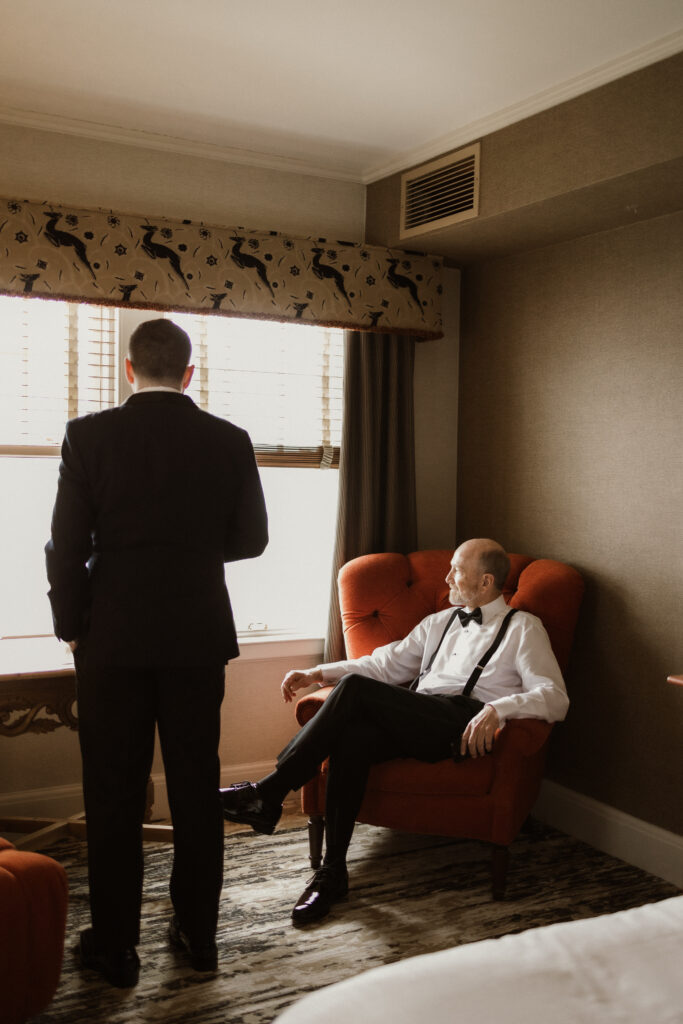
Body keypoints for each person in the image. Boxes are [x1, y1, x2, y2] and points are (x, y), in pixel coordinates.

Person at [45, 318, 268, 987]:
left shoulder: (89, 436)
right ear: (190, 373)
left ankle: (115, 948)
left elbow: (65, 542)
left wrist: (69, 625)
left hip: (111, 636)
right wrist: (191, 551)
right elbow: (252, 539)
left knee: (113, 793)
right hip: (197, 636)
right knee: (195, 786)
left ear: (129, 368)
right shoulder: (229, 440)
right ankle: (198, 937)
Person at [221, 538, 568, 927]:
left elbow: (555, 697)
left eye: (457, 569)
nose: (447, 577)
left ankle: (268, 793)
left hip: (462, 724)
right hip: (417, 717)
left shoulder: (523, 628)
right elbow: (385, 664)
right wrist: (318, 673)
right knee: (351, 739)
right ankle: (333, 873)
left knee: (352, 691)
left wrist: (499, 709)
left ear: (486, 582)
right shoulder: (440, 622)